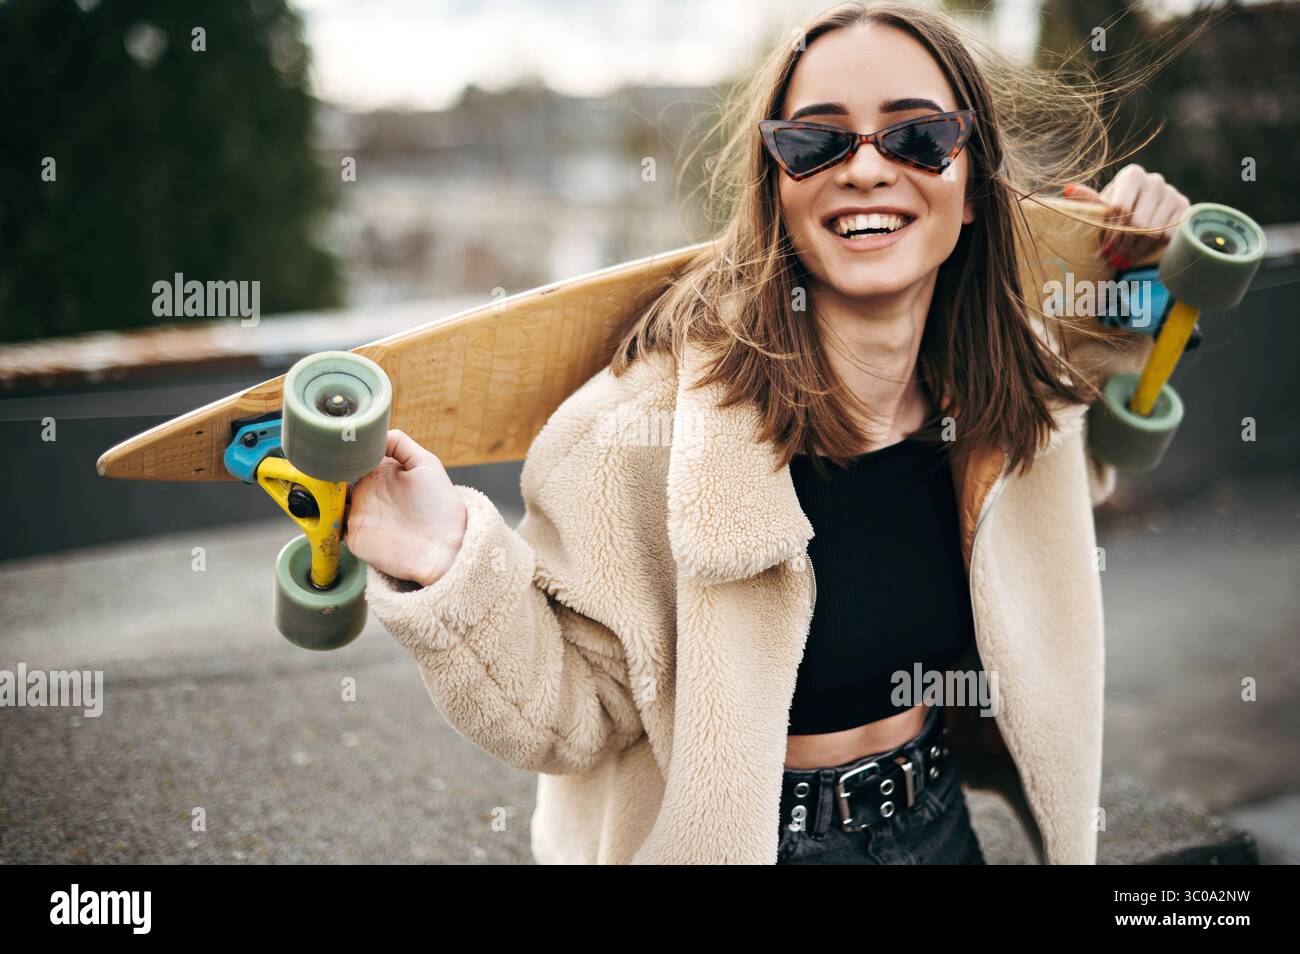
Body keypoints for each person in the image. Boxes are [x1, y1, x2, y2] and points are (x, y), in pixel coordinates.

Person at [346, 0, 1194, 864]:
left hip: (937, 825)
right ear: (775, 187)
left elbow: (1063, 499)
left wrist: (1140, 276)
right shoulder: (634, 435)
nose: (866, 170)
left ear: (972, 185)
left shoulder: (1008, 401)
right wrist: (446, 559)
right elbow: (574, 719)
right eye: (817, 141)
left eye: (918, 136)